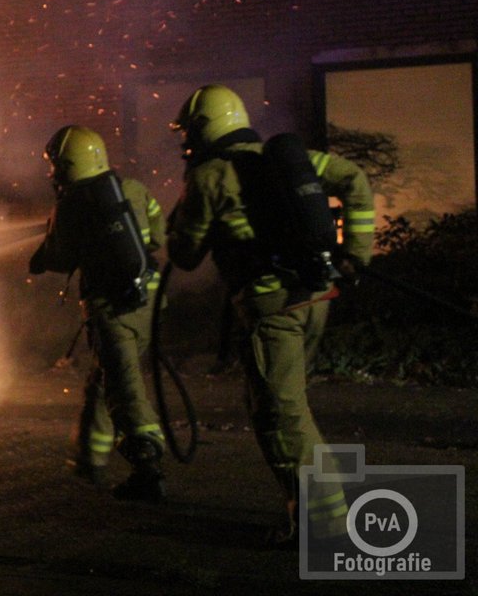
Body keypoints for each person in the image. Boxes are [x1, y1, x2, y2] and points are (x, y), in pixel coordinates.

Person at [166, 84, 374, 546]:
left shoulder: (209, 177)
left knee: (280, 416)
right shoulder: (282, 158)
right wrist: (357, 254)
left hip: (271, 309)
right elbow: (355, 180)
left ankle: (322, 524)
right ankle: (323, 510)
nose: (185, 144)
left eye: (189, 133)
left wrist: (177, 220)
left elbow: (184, 254)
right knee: (292, 408)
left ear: (203, 129)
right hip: (314, 298)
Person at [29, 125, 168, 502]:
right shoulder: (134, 189)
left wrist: (41, 257)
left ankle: (147, 465)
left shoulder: (71, 204)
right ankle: (89, 457)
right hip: (149, 302)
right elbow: (158, 235)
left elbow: (60, 256)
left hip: (111, 308)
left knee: (124, 387)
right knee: (106, 376)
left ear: (65, 166)